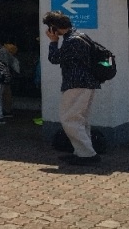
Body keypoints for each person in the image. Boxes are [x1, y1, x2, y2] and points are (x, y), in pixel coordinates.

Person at [44, 10, 102, 165]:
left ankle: (88, 155)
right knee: (80, 120)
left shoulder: (72, 41)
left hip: (77, 83)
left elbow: (54, 58)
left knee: (69, 119)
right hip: (87, 83)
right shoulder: (81, 36)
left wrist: (53, 41)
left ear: (54, 27)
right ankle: (82, 152)